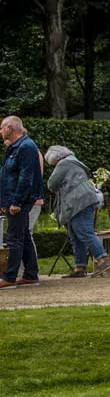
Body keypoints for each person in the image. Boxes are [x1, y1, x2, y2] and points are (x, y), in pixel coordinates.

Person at [45, 145, 107, 278]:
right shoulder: (74, 162)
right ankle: (80, 267)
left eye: (52, 163)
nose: (53, 166)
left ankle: (102, 261)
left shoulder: (64, 164)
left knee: (85, 232)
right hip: (82, 201)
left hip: (78, 202)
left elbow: (51, 184)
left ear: (55, 159)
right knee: (75, 235)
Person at [0, 116, 44, 288]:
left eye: (2, 127)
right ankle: (31, 275)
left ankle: (9, 277)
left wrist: (16, 202)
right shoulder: (15, 148)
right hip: (12, 199)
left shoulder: (26, 147)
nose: (1, 131)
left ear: (10, 128)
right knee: (24, 236)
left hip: (19, 201)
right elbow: (8, 175)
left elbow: (26, 177)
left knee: (14, 238)